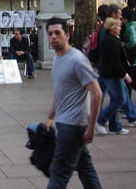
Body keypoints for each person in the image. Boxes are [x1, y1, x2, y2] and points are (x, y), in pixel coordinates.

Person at [44, 17, 102, 189]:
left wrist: (91, 127)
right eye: (50, 34)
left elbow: (97, 93)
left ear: (67, 35)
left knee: (59, 173)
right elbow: (60, 92)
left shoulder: (77, 60)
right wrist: (50, 116)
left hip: (73, 125)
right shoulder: (57, 59)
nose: (54, 37)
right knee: (85, 168)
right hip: (64, 123)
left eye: (58, 33)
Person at [96, 18, 136, 136]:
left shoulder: (112, 39)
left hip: (110, 73)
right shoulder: (111, 41)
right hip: (112, 74)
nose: (120, 28)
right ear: (112, 28)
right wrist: (125, 75)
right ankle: (102, 120)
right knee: (120, 99)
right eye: (118, 26)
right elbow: (114, 61)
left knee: (116, 99)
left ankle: (115, 126)